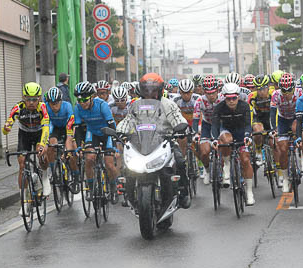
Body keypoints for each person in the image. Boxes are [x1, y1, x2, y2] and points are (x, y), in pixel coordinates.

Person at [116, 73, 191, 206]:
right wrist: (120, 131)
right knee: (128, 167)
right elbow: (128, 120)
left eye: (153, 89)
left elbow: (177, 118)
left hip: (165, 141)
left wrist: (181, 127)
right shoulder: (136, 105)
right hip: (141, 143)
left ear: (160, 90)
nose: (150, 93)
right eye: (147, 89)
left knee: (180, 162)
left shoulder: (168, 104)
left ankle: (183, 194)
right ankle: (128, 195)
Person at [2, 82, 51, 204]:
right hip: (24, 135)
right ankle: (23, 199)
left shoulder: (42, 107)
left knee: (42, 153)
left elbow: (46, 128)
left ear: (39, 98)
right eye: (28, 99)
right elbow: (7, 127)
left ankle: (45, 178)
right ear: (24, 98)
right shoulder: (18, 108)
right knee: (22, 164)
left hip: (40, 133)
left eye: (34, 99)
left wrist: (43, 144)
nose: (31, 102)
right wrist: (6, 128)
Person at [72, 81, 119, 198]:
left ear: (92, 97)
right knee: (89, 158)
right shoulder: (77, 108)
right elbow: (77, 129)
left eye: (84, 100)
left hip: (107, 133)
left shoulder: (102, 105)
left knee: (109, 163)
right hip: (92, 133)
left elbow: (112, 126)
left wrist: (115, 144)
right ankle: (91, 188)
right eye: (79, 100)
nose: (82, 103)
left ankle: (113, 186)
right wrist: (78, 146)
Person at [213, 82, 255, 205]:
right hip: (227, 131)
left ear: (238, 96)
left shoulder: (244, 106)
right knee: (226, 141)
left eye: (234, 98)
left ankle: (249, 192)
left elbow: (248, 124)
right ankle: (226, 165)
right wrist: (215, 139)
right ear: (224, 98)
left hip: (241, 132)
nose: (231, 101)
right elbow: (215, 125)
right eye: (228, 98)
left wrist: (247, 136)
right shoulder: (219, 107)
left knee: (246, 160)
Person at [271, 73, 299, 193]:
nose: (287, 94)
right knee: (282, 149)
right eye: (284, 91)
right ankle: (285, 178)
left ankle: (301, 160)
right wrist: (274, 129)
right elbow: (272, 114)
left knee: (297, 132)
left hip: (296, 118)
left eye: (289, 90)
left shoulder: (299, 93)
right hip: (282, 120)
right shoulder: (276, 95)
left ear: (294, 88)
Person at [44, 87, 79, 181]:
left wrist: (71, 139)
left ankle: (76, 174)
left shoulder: (67, 106)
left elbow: (71, 122)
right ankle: (52, 170)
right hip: (54, 127)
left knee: (70, 151)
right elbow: (47, 124)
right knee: (51, 146)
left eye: (56, 103)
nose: (54, 106)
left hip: (66, 127)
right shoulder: (46, 107)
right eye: (51, 103)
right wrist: (47, 139)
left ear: (61, 101)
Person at [193, 75, 220, 185]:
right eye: (208, 93)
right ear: (204, 92)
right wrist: (195, 133)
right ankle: (207, 170)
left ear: (218, 90)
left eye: (213, 93)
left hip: (220, 125)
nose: (211, 96)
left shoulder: (222, 99)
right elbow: (195, 120)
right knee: (204, 152)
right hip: (207, 125)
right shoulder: (199, 101)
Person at [249, 74, 274, 159]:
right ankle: (258, 150)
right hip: (259, 118)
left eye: (263, 88)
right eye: (258, 89)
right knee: (257, 131)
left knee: (274, 139)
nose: (261, 91)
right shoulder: (252, 96)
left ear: (268, 87)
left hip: (271, 117)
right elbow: (250, 113)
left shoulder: (273, 94)